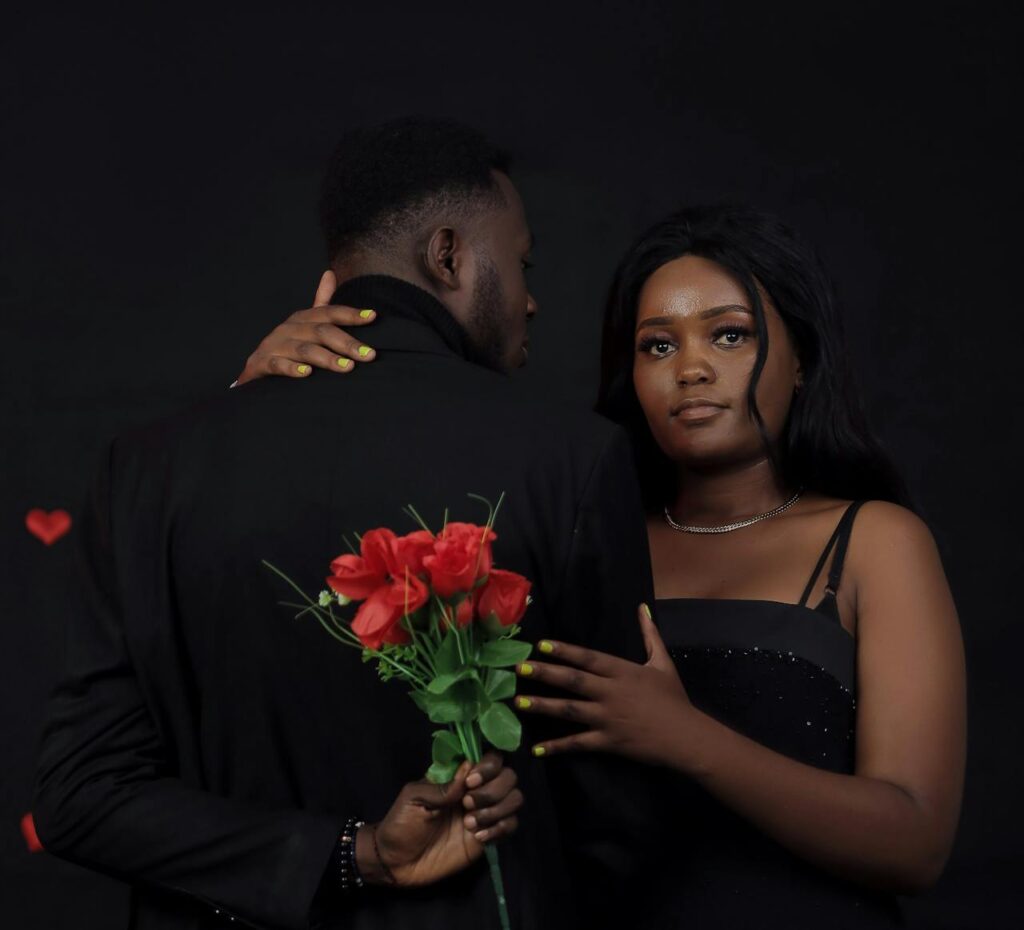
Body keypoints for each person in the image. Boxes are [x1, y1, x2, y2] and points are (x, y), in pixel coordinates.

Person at [242, 203, 967, 927]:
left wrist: (688, 738)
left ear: (802, 357)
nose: (690, 368)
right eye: (657, 346)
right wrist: (269, 399)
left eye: (729, 335)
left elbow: (916, 842)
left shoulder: (873, 541)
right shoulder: (579, 534)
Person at [32, 118, 656, 930]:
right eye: (521, 261)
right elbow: (616, 820)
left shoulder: (150, 470)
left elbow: (81, 799)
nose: (531, 297)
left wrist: (347, 854)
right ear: (448, 256)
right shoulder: (576, 459)